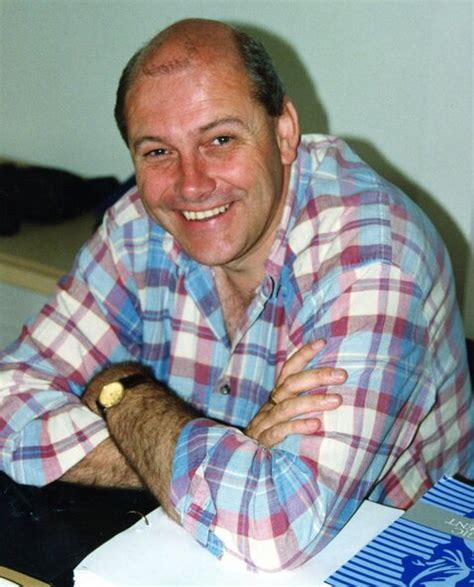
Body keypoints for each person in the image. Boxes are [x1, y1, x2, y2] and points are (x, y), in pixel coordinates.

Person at [0, 18, 472, 573]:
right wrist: (221, 448)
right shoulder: (137, 226)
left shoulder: (375, 256)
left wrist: (119, 394)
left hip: (397, 557)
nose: (191, 184)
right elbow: (10, 393)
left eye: (219, 139)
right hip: (195, 543)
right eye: (156, 152)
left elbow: (275, 528)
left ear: (285, 131)